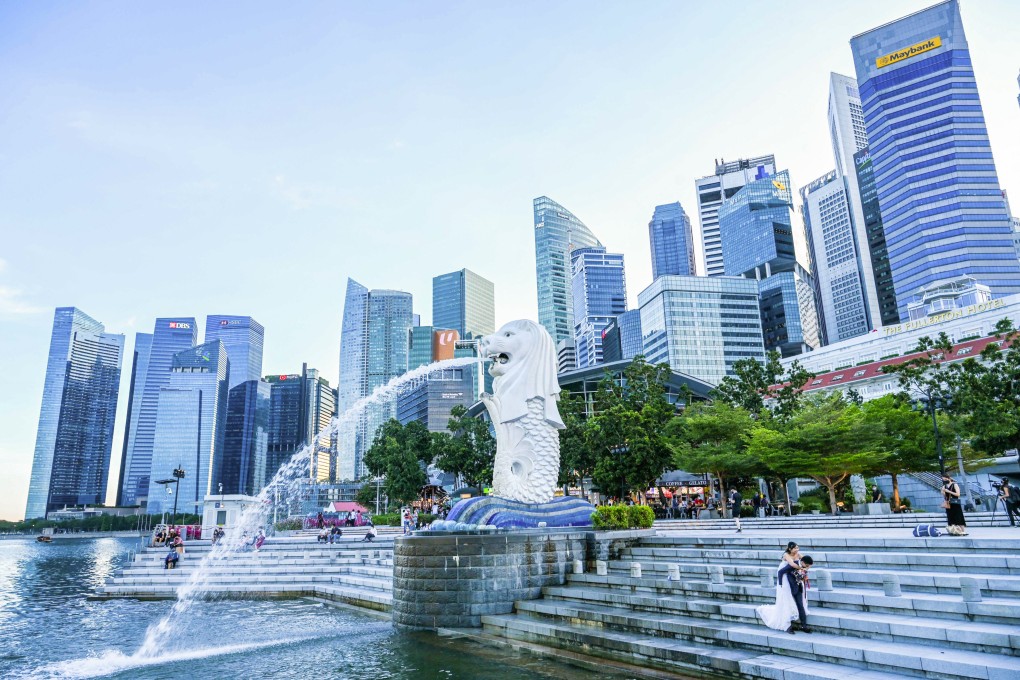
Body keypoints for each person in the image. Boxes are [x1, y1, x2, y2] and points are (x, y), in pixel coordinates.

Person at [757, 542, 812, 634]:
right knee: (786, 602)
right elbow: (790, 566)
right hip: (785, 577)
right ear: (790, 549)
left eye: (798, 547)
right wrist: (801, 569)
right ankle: (787, 626)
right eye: (795, 548)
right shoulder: (786, 555)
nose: (797, 550)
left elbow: (806, 562)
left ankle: (804, 625)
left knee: (800, 603)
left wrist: (805, 570)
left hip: (795, 579)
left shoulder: (799, 556)